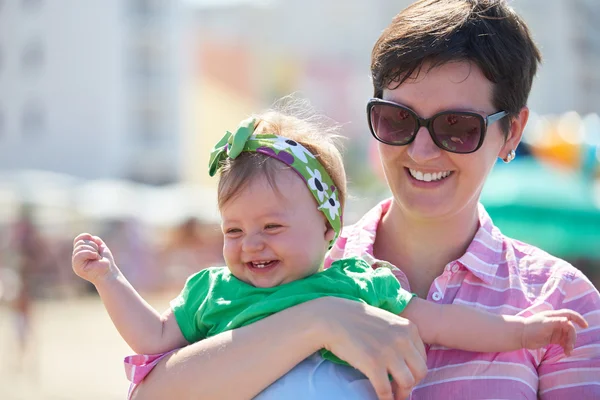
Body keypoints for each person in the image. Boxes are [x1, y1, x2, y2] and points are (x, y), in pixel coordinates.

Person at [116, 2, 600, 399]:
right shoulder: (287, 261)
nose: (421, 149)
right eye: (398, 120)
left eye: (457, 126)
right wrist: (318, 319)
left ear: (511, 130)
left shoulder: (562, 302)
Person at [74, 104, 588, 399]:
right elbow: (152, 340)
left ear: (328, 228)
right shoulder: (213, 293)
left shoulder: (356, 281)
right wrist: (108, 280)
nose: (250, 243)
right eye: (233, 231)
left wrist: (521, 330)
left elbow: (444, 322)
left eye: (271, 225)